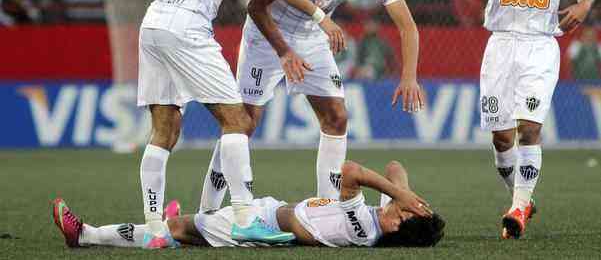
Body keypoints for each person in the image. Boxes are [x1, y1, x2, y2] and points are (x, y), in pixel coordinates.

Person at [136, 0, 345, 248]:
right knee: (238, 120)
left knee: (164, 131)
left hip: (153, 23)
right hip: (187, 26)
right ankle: (245, 218)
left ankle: (155, 229)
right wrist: (319, 16)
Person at [199, 0, 424, 215]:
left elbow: (406, 24)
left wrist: (409, 77)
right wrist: (285, 53)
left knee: (337, 116)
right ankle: (207, 211)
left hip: (312, 35)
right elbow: (256, 8)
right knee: (243, 124)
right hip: (267, 35)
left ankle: (327, 210)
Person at [452, 0, 596, 239]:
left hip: (540, 45)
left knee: (529, 129)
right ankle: (521, 199)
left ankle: (518, 207)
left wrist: (582, 5)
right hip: (500, 44)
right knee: (501, 138)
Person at [52, 160, 444, 249]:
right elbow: (396, 167)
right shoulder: (382, 216)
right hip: (266, 212)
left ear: (397, 224)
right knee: (182, 230)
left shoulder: (364, 226)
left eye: (407, 212)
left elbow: (350, 169)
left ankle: (84, 234)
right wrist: (404, 195)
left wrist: (402, 196)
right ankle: (186, 224)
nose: (406, 205)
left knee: (171, 230)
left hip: (263, 228)